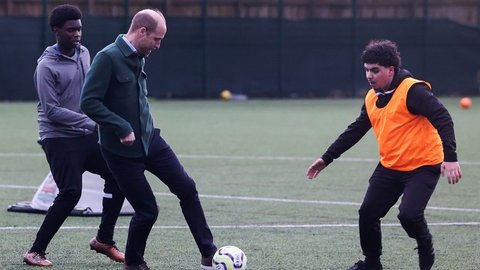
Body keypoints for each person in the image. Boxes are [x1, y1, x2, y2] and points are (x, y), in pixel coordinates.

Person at [306, 39, 462, 270]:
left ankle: (424, 241)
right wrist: (327, 158)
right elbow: (356, 130)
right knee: (367, 213)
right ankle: (371, 265)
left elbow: (443, 118)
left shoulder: (413, 90)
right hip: (390, 166)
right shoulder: (372, 97)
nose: (369, 75)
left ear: (391, 70)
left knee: (408, 216)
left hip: (423, 165)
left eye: (375, 70)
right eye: (367, 70)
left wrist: (450, 158)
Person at [80, 9, 217, 270]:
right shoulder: (107, 58)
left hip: (150, 140)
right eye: (156, 39)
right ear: (141, 31)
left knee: (187, 188)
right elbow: (88, 102)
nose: (158, 45)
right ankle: (133, 264)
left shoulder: (140, 55)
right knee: (147, 210)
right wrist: (121, 126)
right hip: (120, 151)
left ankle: (209, 253)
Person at [24, 4, 126, 267]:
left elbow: (89, 93)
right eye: (71, 30)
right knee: (70, 193)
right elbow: (52, 111)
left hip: (85, 132)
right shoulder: (46, 67)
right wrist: (92, 124)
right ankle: (35, 251)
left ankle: (104, 240)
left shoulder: (84, 53)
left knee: (117, 175)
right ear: (56, 31)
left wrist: (104, 114)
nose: (77, 34)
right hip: (58, 137)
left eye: (79, 28)